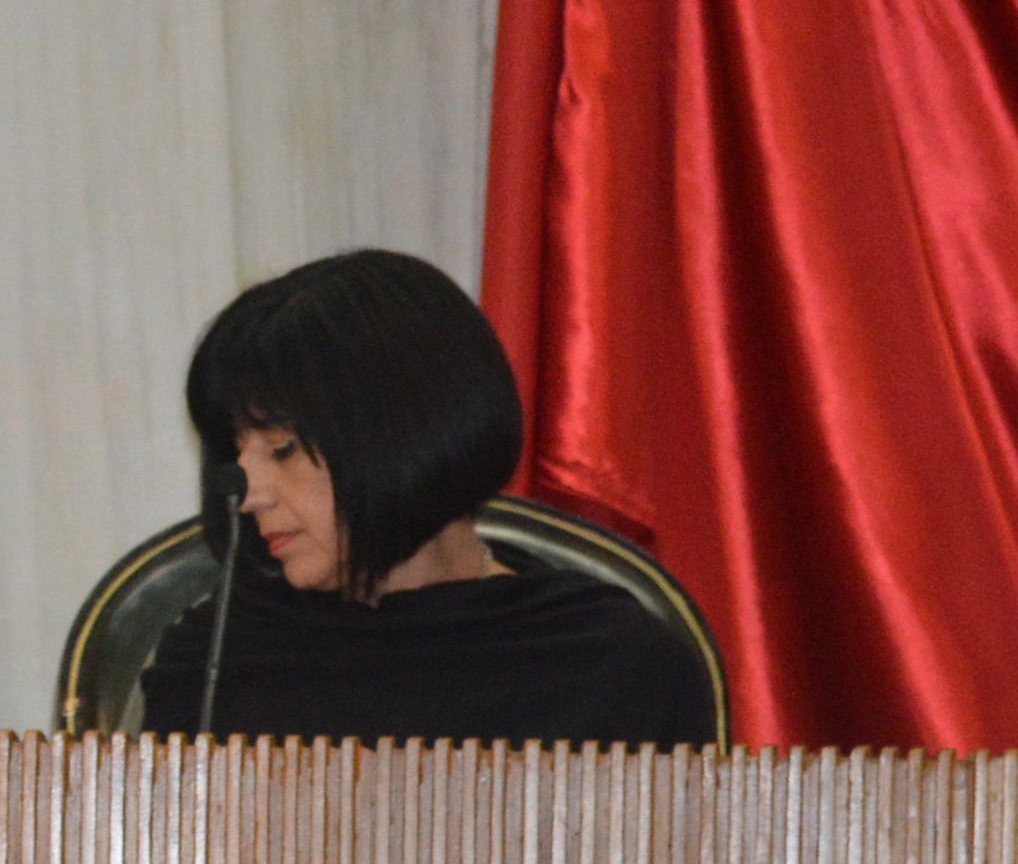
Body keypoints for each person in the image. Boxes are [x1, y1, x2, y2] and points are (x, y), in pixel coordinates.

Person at [139, 251, 718, 746]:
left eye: (283, 449)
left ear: (406, 431)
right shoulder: (216, 661)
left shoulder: (606, 663)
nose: (249, 496)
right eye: (237, 454)